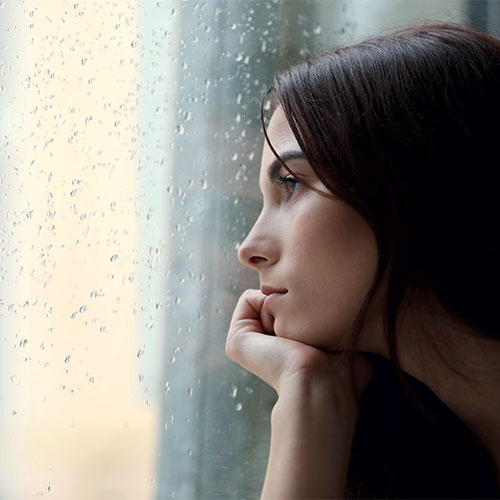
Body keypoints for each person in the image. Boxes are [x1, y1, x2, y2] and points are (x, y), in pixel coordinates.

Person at [225, 22, 500, 499]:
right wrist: (307, 394)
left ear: (417, 184)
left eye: (291, 184)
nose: (248, 248)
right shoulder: (410, 462)